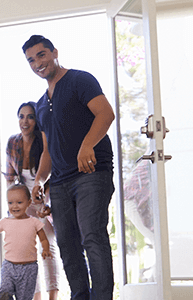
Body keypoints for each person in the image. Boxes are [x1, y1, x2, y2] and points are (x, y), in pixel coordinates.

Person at [22, 34, 116, 300]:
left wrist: (87, 145)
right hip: (60, 183)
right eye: (31, 60)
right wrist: (39, 181)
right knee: (67, 245)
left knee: (92, 237)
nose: (37, 63)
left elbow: (106, 114)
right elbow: (49, 149)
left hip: (91, 173)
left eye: (41, 55)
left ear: (54, 52)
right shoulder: (40, 105)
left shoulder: (79, 80)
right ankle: (79, 296)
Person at [5, 101, 59, 300]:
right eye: (21, 116)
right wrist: (13, 209)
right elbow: (10, 178)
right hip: (24, 203)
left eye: (30, 116)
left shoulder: (44, 144)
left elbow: (54, 178)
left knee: (48, 248)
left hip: (45, 201)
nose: (25, 121)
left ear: (37, 120)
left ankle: (53, 296)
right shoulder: (13, 143)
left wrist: (46, 205)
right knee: (26, 253)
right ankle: (35, 296)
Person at [0, 184, 52, 300]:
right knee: (4, 290)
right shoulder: (5, 222)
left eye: (19, 202)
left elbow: (43, 238)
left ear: (28, 203)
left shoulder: (34, 222)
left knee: (24, 297)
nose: (14, 206)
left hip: (29, 268)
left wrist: (46, 249)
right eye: (10, 203)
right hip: (9, 266)